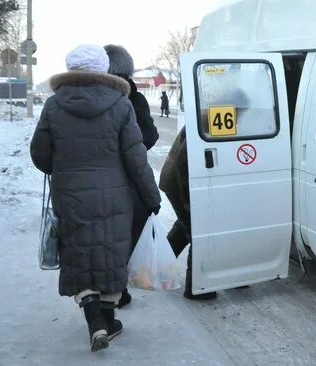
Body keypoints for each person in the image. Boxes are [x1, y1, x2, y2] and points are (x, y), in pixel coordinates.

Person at [30, 44, 161, 352]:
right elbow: (136, 158)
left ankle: (94, 322)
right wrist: (151, 196)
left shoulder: (54, 105)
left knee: (78, 253)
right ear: (102, 68)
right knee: (109, 254)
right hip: (114, 196)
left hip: (70, 195)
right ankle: (108, 320)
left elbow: (40, 154)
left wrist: (63, 166)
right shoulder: (121, 104)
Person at [104, 44, 159, 308]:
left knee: (100, 236)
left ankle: (101, 294)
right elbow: (148, 138)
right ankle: (119, 289)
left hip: (92, 184)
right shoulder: (133, 98)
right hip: (130, 182)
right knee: (127, 235)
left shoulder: (86, 95)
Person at [159, 127, 217, 300]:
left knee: (184, 224)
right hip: (177, 184)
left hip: (174, 181)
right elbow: (182, 162)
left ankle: (158, 268)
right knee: (197, 230)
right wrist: (187, 199)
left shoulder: (210, 116)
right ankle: (195, 287)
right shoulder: (205, 122)